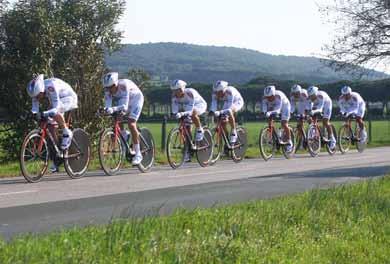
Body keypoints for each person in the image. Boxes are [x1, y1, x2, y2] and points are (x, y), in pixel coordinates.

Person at [26, 74, 78, 172]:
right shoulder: (36, 92)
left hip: (69, 98)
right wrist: (31, 115)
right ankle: (57, 157)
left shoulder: (51, 86)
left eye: (38, 96)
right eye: (34, 97)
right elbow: (34, 111)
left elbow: (56, 107)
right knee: (49, 127)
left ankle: (66, 132)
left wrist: (43, 113)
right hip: (58, 101)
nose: (36, 99)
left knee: (52, 111)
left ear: (42, 90)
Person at [103, 72, 144, 165]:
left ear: (116, 84)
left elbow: (124, 106)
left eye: (111, 87)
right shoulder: (107, 89)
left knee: (131, 123)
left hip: (136, 100)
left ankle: (138, 154)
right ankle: (124, 133)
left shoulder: (124, 85)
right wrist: (105, 110)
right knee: (117, 116)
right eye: (107, 88)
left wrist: (112, 109)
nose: (109, 90)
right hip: (124, 100)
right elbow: (107, 106)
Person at [171, 79, 207, 160]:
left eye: (177, 90)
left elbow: (190, 111)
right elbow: (174, 109)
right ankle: (189, 149)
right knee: (186, 129)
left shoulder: (190, 93)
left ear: (182, 89)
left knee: (193, 113)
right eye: (174, 90)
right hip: (186, 107)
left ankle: (199, 129)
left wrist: (181, 114)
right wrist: (174, 114)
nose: (175, 92)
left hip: (199, 105)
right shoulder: (173, 96)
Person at [262, 85, 293, 152]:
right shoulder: (265, 98)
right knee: (269, 121)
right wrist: (265, 112)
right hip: (274, 106)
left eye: (270, 97)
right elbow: (264, 108)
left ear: (274, 94)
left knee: (284, 124)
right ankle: (275, 138)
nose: (269, 98)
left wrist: (269, 112)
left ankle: (289, 142)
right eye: (267, 97)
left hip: (285, 106)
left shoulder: (278, 96)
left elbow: (278, 110)